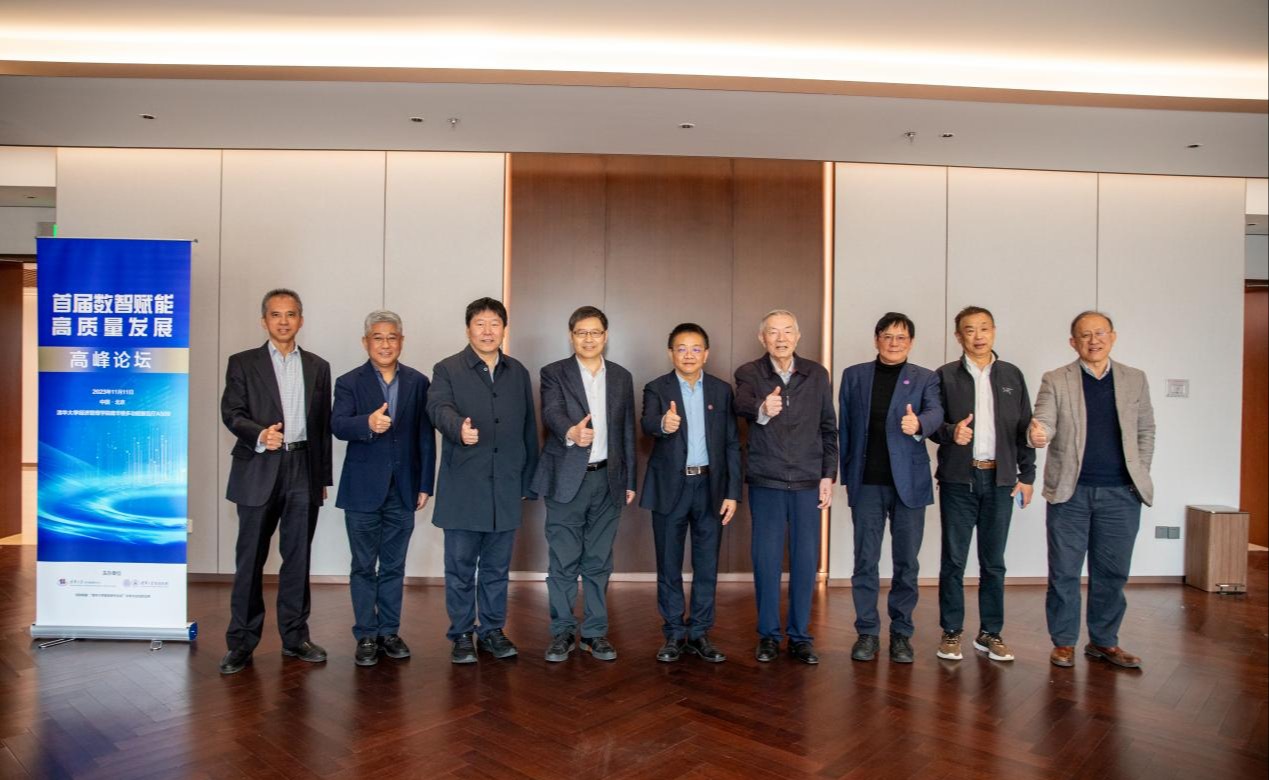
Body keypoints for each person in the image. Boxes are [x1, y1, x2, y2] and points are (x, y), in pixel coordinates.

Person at [1030, 311, 1155, 669]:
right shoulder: (1056, 379)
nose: (1093, 340)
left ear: (1112, 337)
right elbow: (1044, 420)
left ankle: (1103, 641)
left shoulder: (1134, 378)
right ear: (1073, 343)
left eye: (1100, 333)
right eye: (1085, 335)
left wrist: (1140, 471)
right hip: (1071, 493)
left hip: (1121, 494)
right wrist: (1038, 434)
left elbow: (1146, 430)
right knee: (1064, 572)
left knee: (1112, 573)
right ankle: (1064, 642)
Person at [218, 288, 332, 675]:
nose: (284, 321)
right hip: (259, 466)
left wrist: (322, 478)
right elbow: (231, 412)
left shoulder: (318, 366)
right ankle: (241, 642)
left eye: (291, 314)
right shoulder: (242, 363)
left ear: (301, 320)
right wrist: (259, 434)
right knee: (250, 559)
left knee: (298, 558)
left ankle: (295, 637)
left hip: (303, 468)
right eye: (276, 315)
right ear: (264, 320)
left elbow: (322, 427)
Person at [427, 297, 539, 664]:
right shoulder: (447, 369)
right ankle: (461, 633)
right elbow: (437, 408)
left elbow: (528, 428)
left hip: (505, 485)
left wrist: (527, 481)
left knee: (496, 568)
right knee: (460, 568)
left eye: (495, 323)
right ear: (468, 329)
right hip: (464, 487)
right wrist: (457, 427)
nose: (488, 331)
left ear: (504, 329)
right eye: (480, 323)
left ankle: (491, 630)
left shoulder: (517, 372)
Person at [929, 306, 1035, 663]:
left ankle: (990, 632)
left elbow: (1025, 428)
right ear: (958, 336)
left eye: (984, 328)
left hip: (1001, 479)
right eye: (970, 329)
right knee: (953, 560)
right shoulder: (945, 376)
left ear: (994, 332)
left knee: (994, 562)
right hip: (959, 479)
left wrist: (1027, 476)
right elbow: (932, 425)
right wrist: (951, 432)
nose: (978, 336)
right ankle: (951, 631)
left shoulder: (1012, 375)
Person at [331, 310, 435, 667]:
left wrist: (425, 483)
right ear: (366, 342)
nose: (385, 344)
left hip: (404, 489)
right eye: (378, 337)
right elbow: (337, 425)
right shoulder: (349, 382)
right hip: (362, 490)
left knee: (393, 565)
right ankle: (366, 634)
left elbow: (425, 436)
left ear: (401, 341)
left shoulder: (419, 382)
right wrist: (367, 423)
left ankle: (389, 631)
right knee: (363, 565)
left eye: (392, 337)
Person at [532, 306, 635, 662]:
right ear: (571, 336)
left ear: (605, 336)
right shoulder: (554, 372)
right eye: (581, 332)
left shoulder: (621, 376)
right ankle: (562, 632)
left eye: (595, 332)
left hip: (608, 480)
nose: (588, 339)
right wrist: (570, 432)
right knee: (563, 560)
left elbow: (627, 431)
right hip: (566, 479)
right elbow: (551, 411)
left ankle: (594, 633)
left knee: (598, 560)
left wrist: (629, 479)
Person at [734, 309, 837, 664]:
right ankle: (768, 635)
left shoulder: (817, 374)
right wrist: (763, 407)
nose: (781, 338)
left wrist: (828, 475)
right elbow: (740, 402)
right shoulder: (750, 372)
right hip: (767, 480)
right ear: (762, 338)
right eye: (773, 332)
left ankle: (800, 636)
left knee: (806, 562)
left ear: (798, 336)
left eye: (788, 331)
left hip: (808, 481)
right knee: (766, 561)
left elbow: (828, 428)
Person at [838, 312, 941, 664]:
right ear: (876, 339)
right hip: (867, 482)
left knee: (906, 562)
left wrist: (919, 424)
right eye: (887, 336)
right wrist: (847, 477)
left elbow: (936, 413)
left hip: (909, 484)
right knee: (865, 560)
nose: (894, 343)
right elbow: (845, 428)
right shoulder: (854, 376)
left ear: (911, 342)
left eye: (901, 337)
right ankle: (867, 632)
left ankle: (901, 633)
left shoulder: (925, 377)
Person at [641, 323, 740, 663]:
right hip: (671, 487)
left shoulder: (721, 391)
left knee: (707, 564)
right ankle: (673, 633)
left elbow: (732, 443)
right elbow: (646, 423)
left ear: (706, 354)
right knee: (668, 563)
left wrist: (732, 492)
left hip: (710, 487)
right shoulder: (657, 388)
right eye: (681, 348)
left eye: (695, 348)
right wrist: (662, 425)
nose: (688, 355)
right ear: (671, 353)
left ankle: (699, 632)